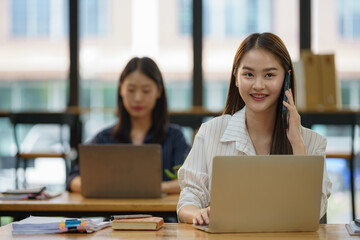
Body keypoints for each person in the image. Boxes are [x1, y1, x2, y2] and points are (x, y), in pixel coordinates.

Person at [176, 32, 332, 224]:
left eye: (269, 75)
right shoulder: (210, 132)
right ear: (235, 77)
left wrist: (297, 144)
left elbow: (315, 212)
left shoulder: (312, 142)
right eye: (248, 74)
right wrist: (198, 214)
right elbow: (189, 198)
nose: (258, 85)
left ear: (287, 79)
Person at [68, 57, 189, 194]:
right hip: (113, 214)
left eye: (146, 91)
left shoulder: (174, 138)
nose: (137, 98)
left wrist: (148, 189)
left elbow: (190, 181)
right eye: (131, 90)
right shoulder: (104, 138)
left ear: (159, 92)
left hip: (162, 215)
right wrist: (108, 188)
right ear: (121, 90)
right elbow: (73, 179)